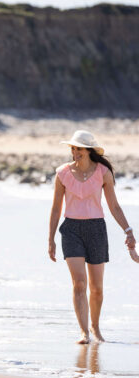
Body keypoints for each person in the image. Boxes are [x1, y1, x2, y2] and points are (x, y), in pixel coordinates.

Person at [48, 130, 135, 344]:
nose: (75, 152)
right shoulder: (62, 173)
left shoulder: (103, 172)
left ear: (89, 151)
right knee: (79, 283)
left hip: (96, 229)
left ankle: (95, 327)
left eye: (79, 148)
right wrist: (50, 239)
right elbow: (56, 208)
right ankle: (84, 331)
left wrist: (128, 231)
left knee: (96, 288)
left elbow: (114, 206)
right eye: (73, 148)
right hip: (71, 230)